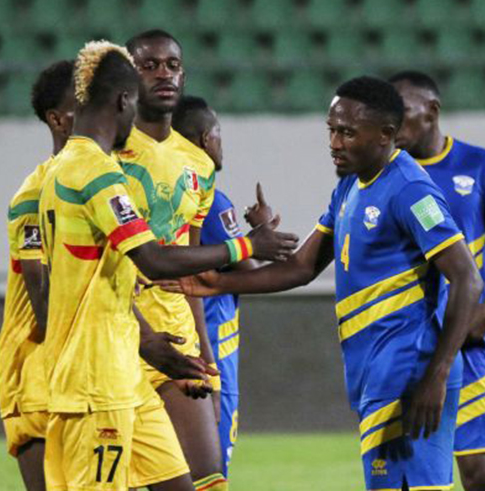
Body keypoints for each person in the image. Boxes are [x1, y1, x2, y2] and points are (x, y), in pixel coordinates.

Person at [160, 76, 484, 491]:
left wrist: (437, 375)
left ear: (385, 134)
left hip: (411, 373)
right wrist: (217, 285)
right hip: (377, 372)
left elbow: (467, 279)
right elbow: (302, 266)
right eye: (331, 130)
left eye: (347, 132)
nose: (334, 143)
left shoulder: (410, 189)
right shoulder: (350, 186)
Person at [37, 41, 297, 491]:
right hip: (95, 372)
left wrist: (169, 345)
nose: (162, 76)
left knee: (195, 482)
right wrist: (245, 246)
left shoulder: (74, 167)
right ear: (125, 100)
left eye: (172, 65)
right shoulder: (95, 171)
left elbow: (136, 273)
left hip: (129, 356)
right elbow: (153, 260)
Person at [389, 70, 485, 491]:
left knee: (479, 475)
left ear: (431, 111)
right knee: (411, 478)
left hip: (468, 346)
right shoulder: (387, 174)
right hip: (408, 345)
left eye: (402, 112)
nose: (392, 123)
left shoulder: (481, 165)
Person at [121, 29, 228, 489]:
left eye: (172, 65)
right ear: (127, 78)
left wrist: (205, 353)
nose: (163, 74)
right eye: (148, 65)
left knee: (207, 479)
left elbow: (191, 267)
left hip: (178, 340)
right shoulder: (107, 154)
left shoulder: (198, 163)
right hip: (117, 338)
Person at [0, 60, 74, 491]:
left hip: (89, 368)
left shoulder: (106, 186)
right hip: (38, 373)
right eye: (88, 107)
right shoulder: (34, 195)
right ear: (58, 120)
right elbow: (43, 302)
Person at [172, 95, 257, 476]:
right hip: (211, 348)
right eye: (219, 132)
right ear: (206, 139)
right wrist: (260, 236)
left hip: (179, 343)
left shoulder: (167, 193)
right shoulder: (211, 201)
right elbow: (252, 271)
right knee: (210, 470)